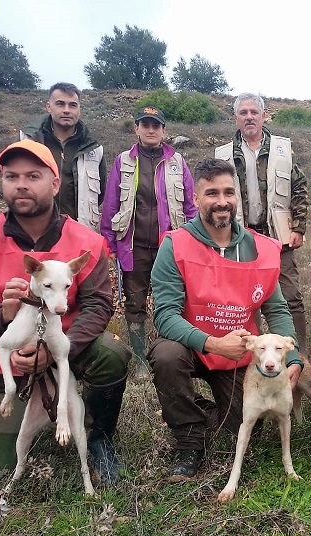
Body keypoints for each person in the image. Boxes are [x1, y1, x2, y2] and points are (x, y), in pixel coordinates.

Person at [0, 140, 131, 486]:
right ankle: (9, 410)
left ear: (55, 183)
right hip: (0, 361)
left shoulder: (86, 243)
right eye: (11, 176)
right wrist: (3, 314)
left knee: (112, 352)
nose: (21, 184)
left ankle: (98, 435)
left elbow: (98, 305)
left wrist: (56, 349)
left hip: (63, 349)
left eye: (33, 175)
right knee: (0, 473)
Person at [148, 158, 303, 481]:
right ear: (195, 198)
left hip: (238, 358)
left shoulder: (261, 248)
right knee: (166, 355)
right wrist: (212, 342)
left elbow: (277, 310)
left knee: (237, 430)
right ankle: (188, 441)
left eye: (229, 193)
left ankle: (201, 411)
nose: (222, 202)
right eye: (212, 193)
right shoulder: (175, 244)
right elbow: (164, 315)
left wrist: (295, 359)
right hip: (192, 348)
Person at [101, 106, 196, 377]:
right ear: (137, 129)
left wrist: (193, 240)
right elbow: (110, 204)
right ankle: (141, 361)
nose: (151, 130)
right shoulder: (123, 161)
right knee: (135, 302)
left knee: (174, 300)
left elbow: (191, 206)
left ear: (164, 131)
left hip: (170, 247)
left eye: (156, 125)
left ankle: (174, 353)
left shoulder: (177, 162)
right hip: (133, 246)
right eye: (145, 125)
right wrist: (108, 243)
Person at [214, 93, 309, 350]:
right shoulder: (223, 154)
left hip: (278, 235)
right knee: (245, 299)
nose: (249, 117)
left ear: (263, 115)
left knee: (290, 296)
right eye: (243, 113)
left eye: (254, 112)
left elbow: (299, 187)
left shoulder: (282, 149)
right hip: (240, 236)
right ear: (236, 118)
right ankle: (251, 355)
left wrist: (298, 227)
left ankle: (297, 355)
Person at [20, 82, 107, 232]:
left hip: (78, 232)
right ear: (48, 106)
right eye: (60, 104)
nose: (67, 110)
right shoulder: (27, 141)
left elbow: (100, 194)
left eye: (72, 105)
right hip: (34, 231)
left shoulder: (94, 149)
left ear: (79, 109)